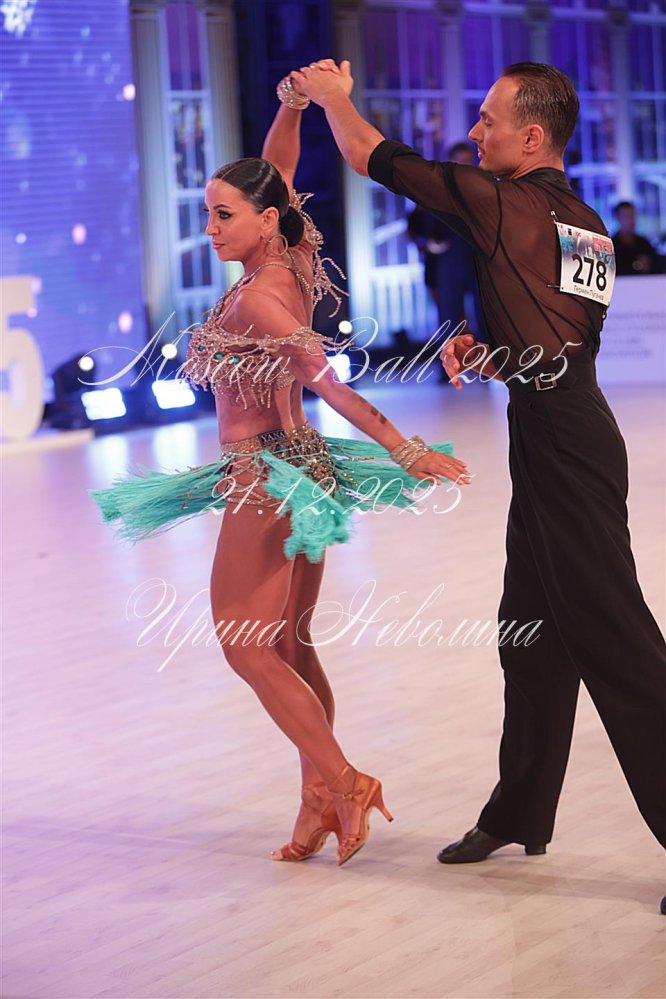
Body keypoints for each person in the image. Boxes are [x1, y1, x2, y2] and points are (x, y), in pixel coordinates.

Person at [292, 58, 666, 907]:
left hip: (566, 445)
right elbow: (562, 344)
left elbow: (376, 159)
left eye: (488, 120)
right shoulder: (586, 224)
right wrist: (491, 353)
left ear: (531, 137)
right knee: (528, 634)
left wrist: (335, 97)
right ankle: (520, 811)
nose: (474, 131)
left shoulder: (502, 201)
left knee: (617, 643)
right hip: (559, 433)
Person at [90, 81, 472, 867]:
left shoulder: (262, 301)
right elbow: (279, 172)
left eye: (222, 214)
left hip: (264, 475)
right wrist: (293, 107)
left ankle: (345, 780)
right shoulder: (290, 257)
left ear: (263, 221)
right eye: (208, 212)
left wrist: (404, 449)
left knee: (246, 645)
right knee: (289, 647)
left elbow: (331, 384)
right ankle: (317, 798)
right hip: (305, 468)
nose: (210, 227)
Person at [407, 141, 488, 351]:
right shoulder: (436, 190)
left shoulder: (482, 189)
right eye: (460, 163)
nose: (465, 167)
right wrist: (427, 244)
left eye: (468, 162)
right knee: (449, 316)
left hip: (477, 260)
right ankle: (450, 360)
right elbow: (415, 224)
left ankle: (486, 360)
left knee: (484, 314)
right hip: (448, 261)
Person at [611, 200, 660, 275]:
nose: (631, 220)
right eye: (627, 216)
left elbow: (657, 267)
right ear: (618, 218)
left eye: (633, 215)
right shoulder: (611, 245)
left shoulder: (644, 243)